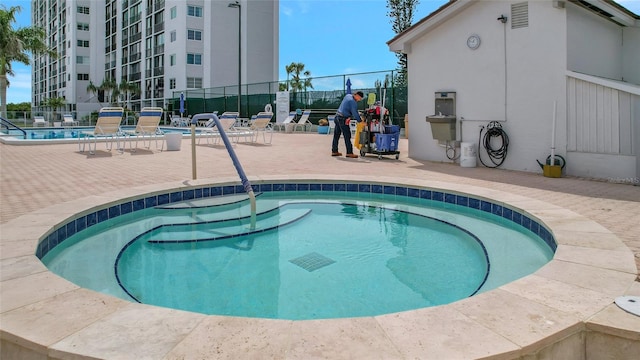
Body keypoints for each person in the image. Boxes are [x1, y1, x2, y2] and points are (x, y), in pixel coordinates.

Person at [332, 90, 365, 158]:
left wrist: (349, 116)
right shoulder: (353, 102)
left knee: (336, 135)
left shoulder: (348, 96)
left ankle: (334, 151)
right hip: (343, 119)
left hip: (337, 116)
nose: (359, 100)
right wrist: (360, 121)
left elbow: (346, 108)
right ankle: (349, 152)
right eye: (360, 98)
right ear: (357, 95)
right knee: (347, 135)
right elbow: (354, 113)